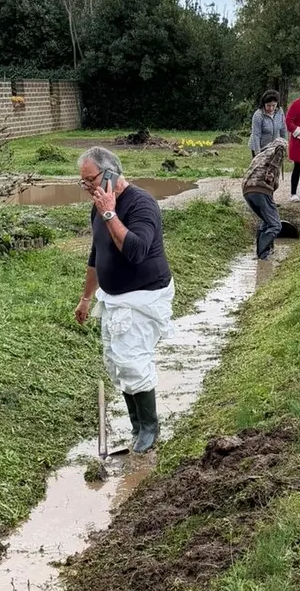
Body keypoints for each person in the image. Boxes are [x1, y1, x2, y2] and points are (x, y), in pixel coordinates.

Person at [73, 146, 174, 454]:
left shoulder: (141, 204)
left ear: (112, 172)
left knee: (133, 360)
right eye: (84, 182)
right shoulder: (98, 206)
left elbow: (135, 250)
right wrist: (86, 298)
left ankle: (150, 428)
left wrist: (109, 213)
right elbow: (97, 252)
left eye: (91, 179)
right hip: (114, 297)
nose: (88, 187)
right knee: (118, 362)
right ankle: (136, 424)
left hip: (145, 295)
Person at [242, 138, 288, 261]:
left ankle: (264, 251)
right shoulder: (279, 149)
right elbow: (270, 173)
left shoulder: (262, 153)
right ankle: (263, 254)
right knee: (275, 225)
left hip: (247, 190)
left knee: (266, 221)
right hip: (260, 189)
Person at [249, 90, 287, 157]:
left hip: (274, 147)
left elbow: (283, 129)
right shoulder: (258, 115)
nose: (271, 108)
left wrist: (284, 145)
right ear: (264, 104)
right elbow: (256, 135)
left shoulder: (280, 111)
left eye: (273, 105)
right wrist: (258, 152)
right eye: (268, 105)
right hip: (261, 147)